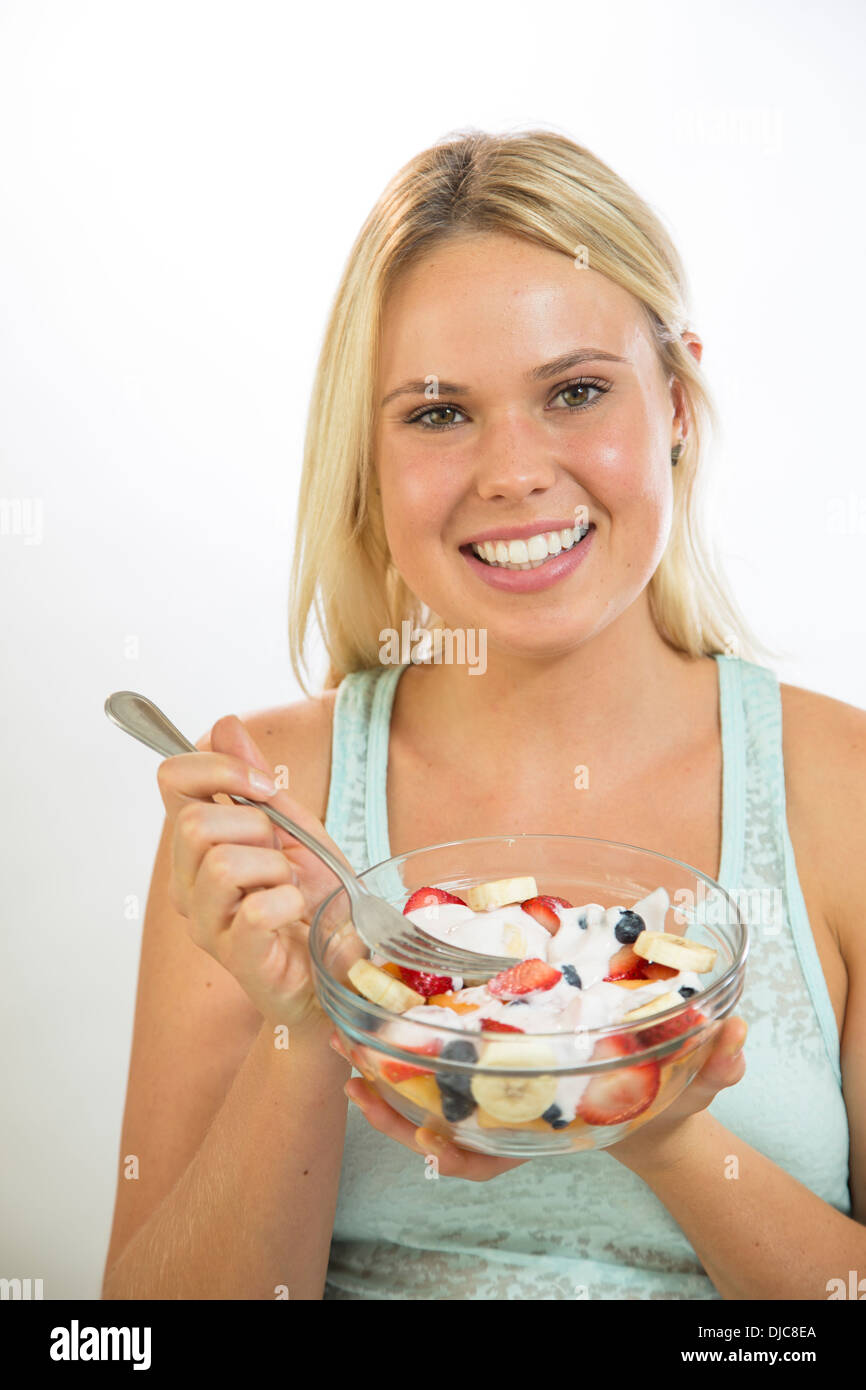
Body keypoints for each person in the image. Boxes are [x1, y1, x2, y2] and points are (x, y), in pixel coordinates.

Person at [101, 128, 864, 1301]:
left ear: (675, 399)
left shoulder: (841, 785)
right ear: (368, 446)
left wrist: (650, 1120)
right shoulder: (265, 804)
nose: (512, 471)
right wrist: (308, 1020)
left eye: (573, 391)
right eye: (438, 412)